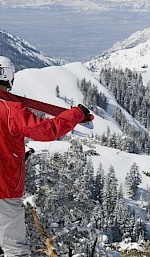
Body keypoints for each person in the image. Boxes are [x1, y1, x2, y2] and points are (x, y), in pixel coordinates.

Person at [0, 56, 90, 257]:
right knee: (15, 250)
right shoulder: (10, 109)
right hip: (3, 187)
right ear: (8, 77)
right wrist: (75, 115)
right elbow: (46, 131)